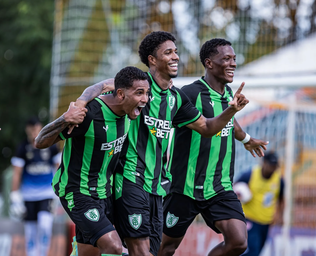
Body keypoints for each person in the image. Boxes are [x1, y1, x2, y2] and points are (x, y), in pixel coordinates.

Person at [73, 31, 249, 256]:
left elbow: (207, 128)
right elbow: (101, 86)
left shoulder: (176, 98)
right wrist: (80, 103)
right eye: (169, 52)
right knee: (140, 250)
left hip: (157, 187)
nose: (175, 56)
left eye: (176, 52)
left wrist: (232, 110)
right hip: (130, 178)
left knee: (154, 251)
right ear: (152, 60)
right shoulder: (138, 87)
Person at [157, 38, 268, 256]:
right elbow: (203, 124)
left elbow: (227, 121)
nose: (233, 63)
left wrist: (246, 139)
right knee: (165, 247)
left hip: (219, 187)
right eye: (226, 58)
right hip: (185, 187)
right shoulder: (189, 94)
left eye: (234, 59)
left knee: (238, 242)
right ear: (209, 63)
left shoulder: (227, 95)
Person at [35, 66, 150, 256]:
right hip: (77, 192)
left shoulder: (130, 110)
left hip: (105, 194)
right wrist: (65, 118)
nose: (145, 99)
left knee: (89, 253)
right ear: (120, 94)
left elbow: (104, 84)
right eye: (140, 93)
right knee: (113, 246)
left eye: (146, 93)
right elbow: (40, 142)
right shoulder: (89, 115)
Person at [10, 116, 61, 256]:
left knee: (45, 226)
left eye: (37, 129)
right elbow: (16, 173)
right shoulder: (22, 148)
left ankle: (43, 253)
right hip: (28, 196)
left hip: (47, 194)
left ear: (41, 128)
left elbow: (59, 167)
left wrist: (59, 192)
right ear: (27, 130)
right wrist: (14, 196)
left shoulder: (51, 145)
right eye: (32, 130)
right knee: (30, 231)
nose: (34, 133)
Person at [234, 151, 284, 256]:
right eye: (271, 165)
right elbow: (234, 187)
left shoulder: (279, 181)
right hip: (249, 220)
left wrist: (280, 216)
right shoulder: (250, 175)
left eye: (275, 166)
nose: (273, 168)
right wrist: (240, 194)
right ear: (264, 163)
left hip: (266, 223)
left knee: (258, 251)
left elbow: (281, 199)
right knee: (253, 251)